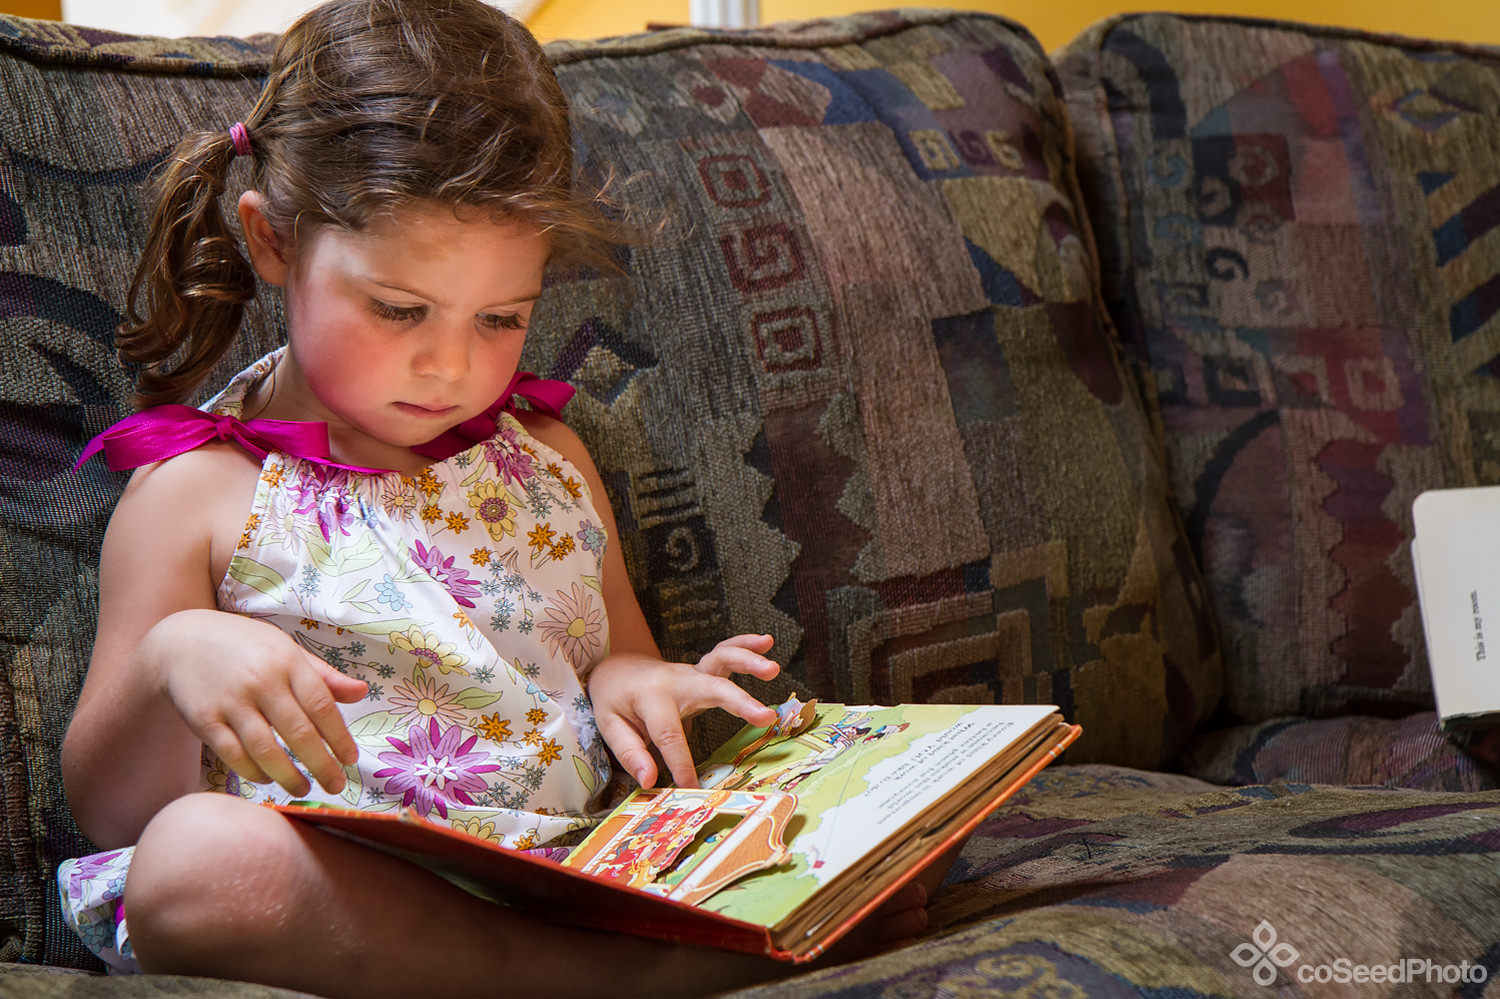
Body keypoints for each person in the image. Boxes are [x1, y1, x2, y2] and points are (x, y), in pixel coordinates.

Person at [56, 2, 935, 995]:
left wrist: (642, 691)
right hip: (333, 894)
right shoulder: (199, 492)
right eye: (399, 309)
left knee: (892, 842)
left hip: (557, 868)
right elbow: (113, 810)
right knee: (193, 865)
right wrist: (173, 658)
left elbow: (614, 663)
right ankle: (622, 981)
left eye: (501, 318)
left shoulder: (546, 460)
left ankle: (650, 947)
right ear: (273, 243)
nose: (450, 365)